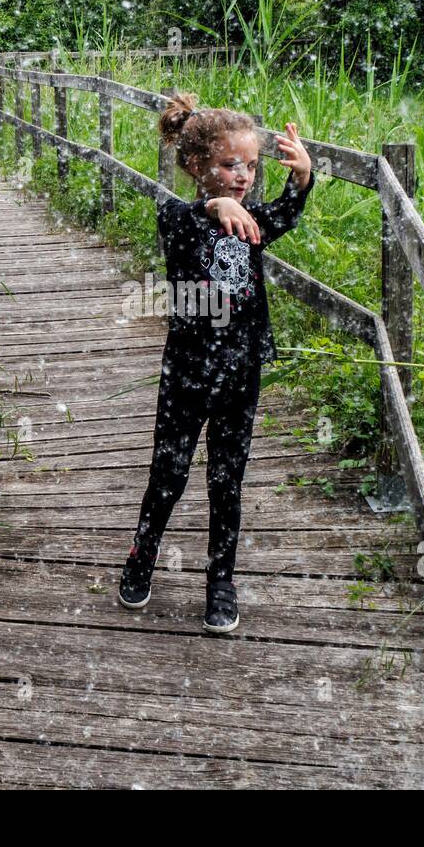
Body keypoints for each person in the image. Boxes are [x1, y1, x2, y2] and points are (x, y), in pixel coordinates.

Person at [117, 91, 314, 632]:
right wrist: (213, 204)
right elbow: (183, 215)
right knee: (170, 471)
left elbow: (285, 214)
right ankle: (142, 556)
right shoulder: (179, 218)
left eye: (251, 166)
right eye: (230, 165)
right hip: (188, 370)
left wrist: (301, 178)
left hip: (241, 370)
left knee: (228, 479)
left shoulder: (253, 221)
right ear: (196, 165)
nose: (244, 176)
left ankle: (221, 579)